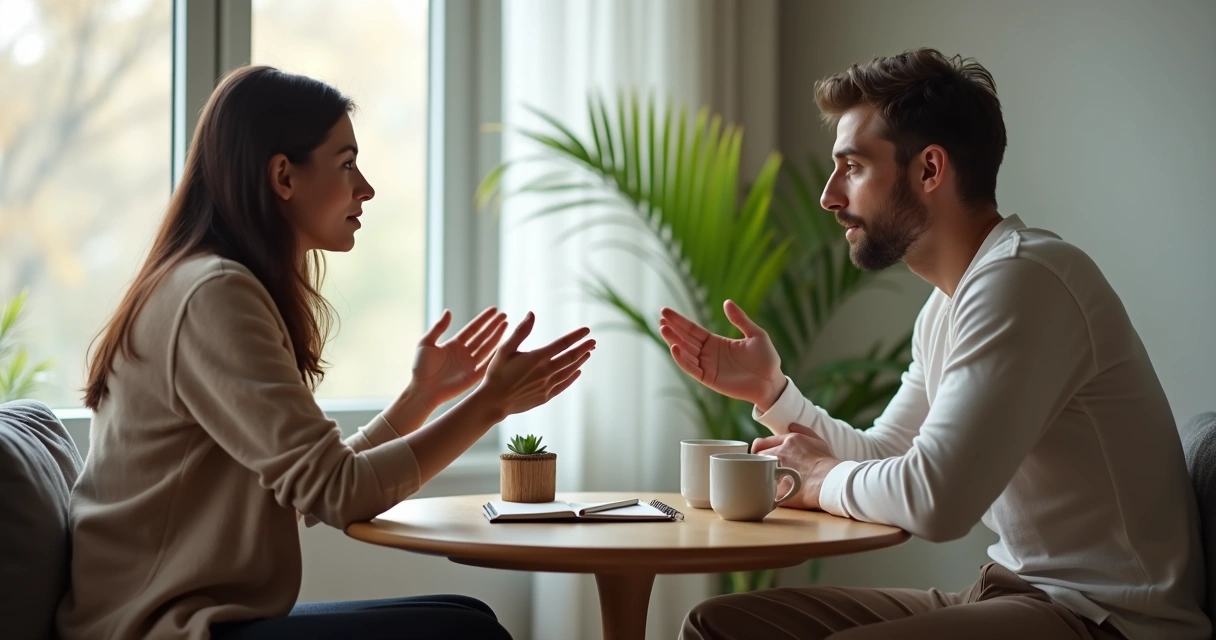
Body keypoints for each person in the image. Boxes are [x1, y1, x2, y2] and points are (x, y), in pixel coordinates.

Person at [662, 49, 1207, 640]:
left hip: (1105, 619)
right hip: (1009, 590)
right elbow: (882, 456)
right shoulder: (950, 303)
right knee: (721, 625)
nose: (828, 196)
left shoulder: (1025, 280)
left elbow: (934, 499)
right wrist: (774, 393)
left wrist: (817, 478)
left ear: (929, 170)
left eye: (853, 167)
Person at [56, 65, 595, 640]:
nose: (364, 188)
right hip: (155, 629)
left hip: (182, 621)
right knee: (465, 634)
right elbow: (339, 494)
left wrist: (422, 398)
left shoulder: (208, 285)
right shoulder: (214, 294)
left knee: (470, 618)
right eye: (345, 164)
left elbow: (313, 486)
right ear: (283, 176)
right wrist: (490, 403)